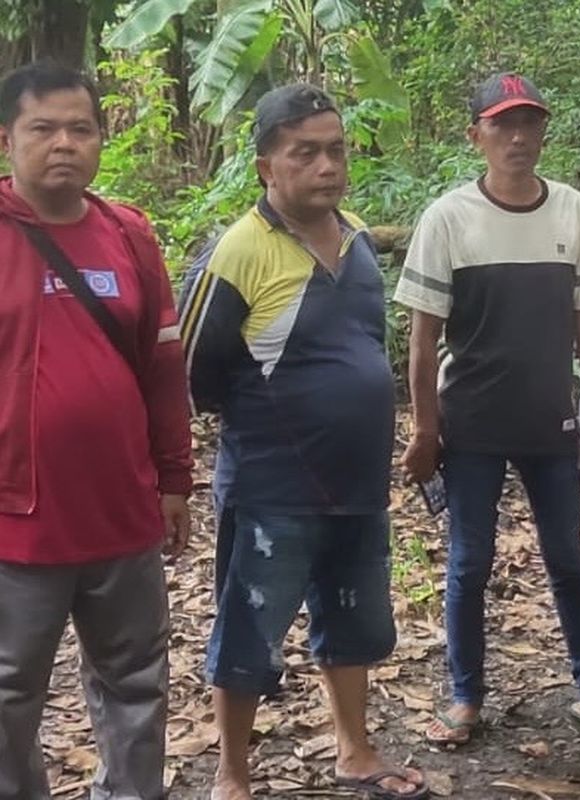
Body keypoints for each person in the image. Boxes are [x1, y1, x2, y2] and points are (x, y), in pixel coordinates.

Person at [178, 84, 427, 800]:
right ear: (266, 167)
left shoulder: (354, 240)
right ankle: (232, 775)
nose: (327, 165)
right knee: (250, 627)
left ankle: (354, 750)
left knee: (353, 619)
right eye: (305, 153)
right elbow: (194, 369)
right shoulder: (239, 251)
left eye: (336, 150)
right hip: (271, 489)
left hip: (356, 485)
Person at [395, 72, 580, 747]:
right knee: (470, 562)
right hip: (469, 422)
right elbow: (423, 337)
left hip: (551, 421)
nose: (519, 137)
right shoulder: (448, 218)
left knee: (566, 557)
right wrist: (425, 428)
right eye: (503, 124)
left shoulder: (573, 212)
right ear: (477, 136)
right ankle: (466, 696)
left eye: (529, 122)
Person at [0, 62, 193, 800]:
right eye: (43, 128)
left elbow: (162, 369)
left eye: (81, 128)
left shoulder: (128, 236)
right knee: (10, 694)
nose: (64, 144)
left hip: (122, 512)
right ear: (8, 139)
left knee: (135, 682)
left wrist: (174, 478)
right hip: (18, 522)